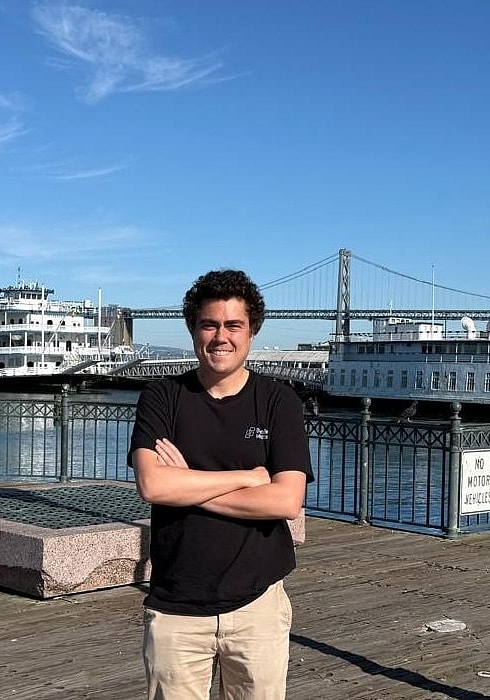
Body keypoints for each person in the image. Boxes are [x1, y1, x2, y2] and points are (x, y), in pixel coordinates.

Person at [129, 269, 314, 700]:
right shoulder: (161, 397)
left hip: (258, 605)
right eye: (209, 324)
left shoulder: (278, 402)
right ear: (193, 330)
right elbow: (153, 486)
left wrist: (187, 483)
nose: (221, 337)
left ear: (252, 332)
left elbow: (287, 500)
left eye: (234, 325)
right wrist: (248, 478)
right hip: (176, 607)